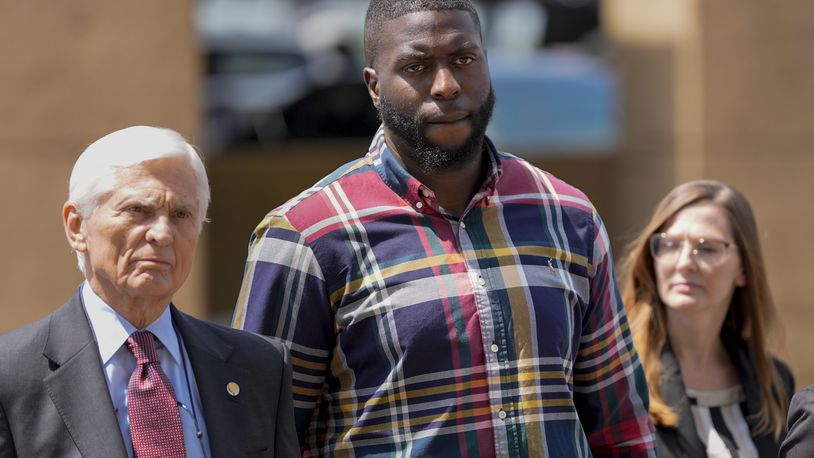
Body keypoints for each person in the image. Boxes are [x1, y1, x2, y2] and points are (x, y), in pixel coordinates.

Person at [233, 1, 656, 456]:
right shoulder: (306, 237)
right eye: (417, 66)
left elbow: (621, 428)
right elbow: (255, 437)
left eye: (464, 60)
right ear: (374, 88)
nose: (447, 85)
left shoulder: (567, 217)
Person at [0, 126, 298, 457]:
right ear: (76, 226)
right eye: (137, 210)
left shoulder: (259, 368)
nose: (162, 234)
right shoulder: (11, 376)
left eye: (181, 214)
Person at [619, 180, 793, 457]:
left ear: (744, 269)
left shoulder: (774, 382)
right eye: (670, 245)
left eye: (707, 248)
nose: (685, 262)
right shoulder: (620, 375)